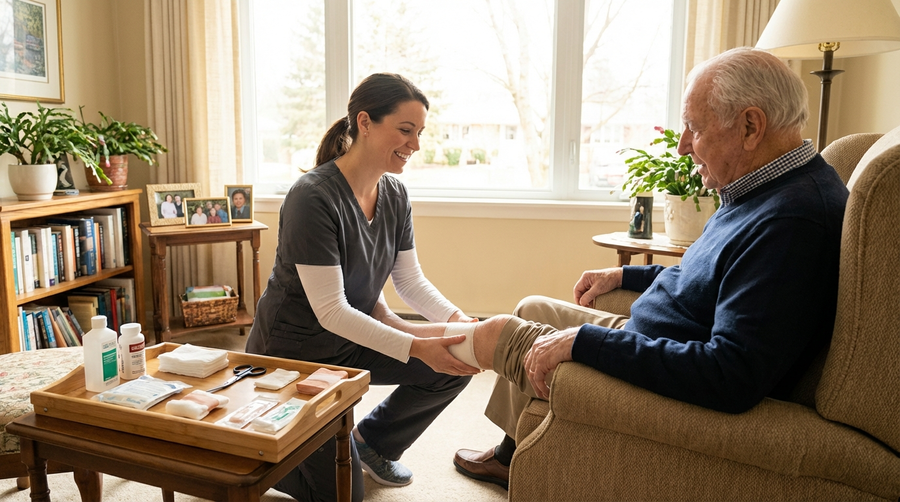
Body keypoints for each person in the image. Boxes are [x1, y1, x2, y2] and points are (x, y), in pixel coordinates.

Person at [386, 47, 845, 491]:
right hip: (653, 333)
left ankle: (376, 434)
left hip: (664, 360)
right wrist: (624, 277)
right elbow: (708, 275)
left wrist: (587, 342)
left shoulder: (791, 222)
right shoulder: (760, 189)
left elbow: (731, 375)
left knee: (499, 333)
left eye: (694, 129)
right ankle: (514, 455)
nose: (684, 147)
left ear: (750, 125)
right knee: (533, 307)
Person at [245, 73, 480, 502]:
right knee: (342, 495)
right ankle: (257, 461)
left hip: (351, 340)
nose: (415, 145)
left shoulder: (394, 193)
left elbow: (409, 281)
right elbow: (331, 311)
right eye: (405, 130)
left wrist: (457, 322)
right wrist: (415, 345)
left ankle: (372, 443)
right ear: (366, 122)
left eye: (419, 133)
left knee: (455, 358)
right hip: (297, 355)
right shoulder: (312, 197)